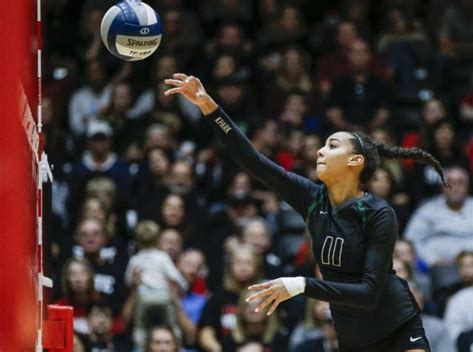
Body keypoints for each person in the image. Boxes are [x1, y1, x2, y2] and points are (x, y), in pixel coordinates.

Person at [163, 73, 451, 351]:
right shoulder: (312, 198)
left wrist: (301, 284)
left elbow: (368, 293)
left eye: (332, 146)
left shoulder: (378, 212)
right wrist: (208, 106)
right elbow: (252, 159)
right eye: (323, 145)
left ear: (355, 161)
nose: (320, 152)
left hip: (396, 323)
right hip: (354, 335)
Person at [124, 220, 188, 349]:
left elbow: (128, 280)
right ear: (158, 239)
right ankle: (177, 345)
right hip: (163, 295)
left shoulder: (135, 259)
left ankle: (139, 347)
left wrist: (134, 284)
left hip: (144, 296)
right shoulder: (162, 257)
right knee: (172, 325)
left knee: (140, 327)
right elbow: (175, 276)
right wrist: (184, 286)